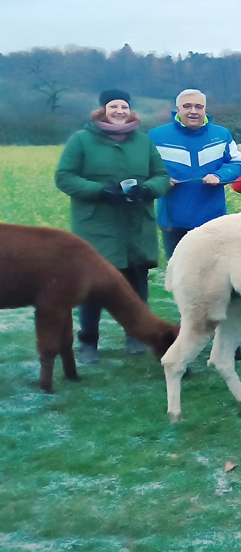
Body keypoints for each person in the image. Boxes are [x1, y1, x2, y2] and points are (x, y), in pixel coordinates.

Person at [55, 89, 170, 364]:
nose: (119, 111)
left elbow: (162, 176)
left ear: (130, 110)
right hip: (97, 226)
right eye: (113, 106)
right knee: (93, 287)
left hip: (136, 227)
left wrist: (146, 189)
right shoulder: (82, 140)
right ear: (102, 110)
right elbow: (64, 177)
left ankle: (136, 336)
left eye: (124, 106)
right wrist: (101, 192)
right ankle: (88, 342)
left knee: (136, 286)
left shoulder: (143, 142)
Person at [150, 89, 241, 258]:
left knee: (212, 275)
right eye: (187, 106)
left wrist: (219, 176)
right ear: (177, 109)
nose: (193, 111)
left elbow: (237, 163)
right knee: (180, 273)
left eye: (199, 107)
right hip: (173, 220)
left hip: (212, 219)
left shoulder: (222, 134)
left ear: (205, 109)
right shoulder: (156, 136)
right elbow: (145, 168)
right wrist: (160, 180)